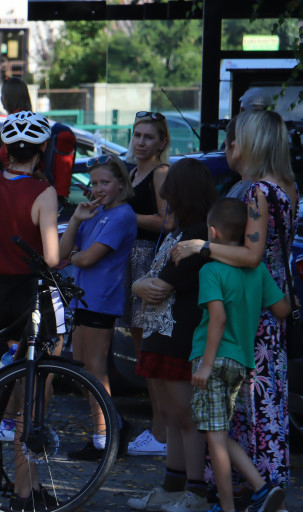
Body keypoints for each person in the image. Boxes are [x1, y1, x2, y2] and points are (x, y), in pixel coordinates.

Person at [173, 109, 299, 512]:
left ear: (251, 143)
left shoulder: (257, 192)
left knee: (249, 407)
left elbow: (251, 255)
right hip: (271, 300)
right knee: (267, 405)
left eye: (235, 139)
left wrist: (200, 248)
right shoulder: (288, 187)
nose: (230, 147)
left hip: (252, 311)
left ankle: (260, 498)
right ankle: (263, 494)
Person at [0, 111, 61, 510]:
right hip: (32, 291)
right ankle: (24, 491)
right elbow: (51, 256)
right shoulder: (44, 193)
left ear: (6, 149)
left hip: (1, 290)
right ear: (43, 149)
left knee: (2, 377)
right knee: (35, 391)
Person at [189, 197, 288, 512]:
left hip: (213, 361)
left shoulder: (210, 269)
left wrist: (205, 364)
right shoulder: (257, 270)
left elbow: (216, 318)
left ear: (212, 232)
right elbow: (282, 309)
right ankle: (262, 488)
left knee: (213, 437)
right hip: (241, 363)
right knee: (221, 433)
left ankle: (227, 510)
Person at [127, 159, 218, 512]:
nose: (167, 210)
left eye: (171, 201)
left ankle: (194, 490)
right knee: (170, 412)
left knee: (185, 415)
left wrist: (143, 285)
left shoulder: (198, 235)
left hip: (178, 335)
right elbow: (147, 280)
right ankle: (173, 484)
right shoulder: (181, 234)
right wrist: (140, 285)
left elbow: (160, 284)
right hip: (158, 333)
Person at [58, 155, 136, 461]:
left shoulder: (122, 215)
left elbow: (87, 258)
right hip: (83, 297)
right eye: (94, 183)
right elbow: (64, 254)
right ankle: (112, 426)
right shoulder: (96, 211)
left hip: (101, 300)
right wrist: (76, 219)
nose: (98, 189)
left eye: (105, 183)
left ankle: (105, 439)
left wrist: (77, 254)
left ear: (121, 184)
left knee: (94, 370)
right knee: (81, 367)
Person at [123, 111, 172, 457]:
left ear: (161, 142)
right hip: (129, 260)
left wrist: (125, 215)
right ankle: (159, 427)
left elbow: (166, 222)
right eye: (137, 135)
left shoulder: (160, 174)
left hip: (147, 260)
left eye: (148, 137)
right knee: (142, 350)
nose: (141, 142)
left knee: (150, 351)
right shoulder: (131, 171)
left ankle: (161, 430)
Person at [0, 78, 76, 202]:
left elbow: (26, 158)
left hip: (22, 192)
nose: (0, 98)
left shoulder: (18, 123)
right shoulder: (28, 121)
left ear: (8, 97)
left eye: (2, 95)